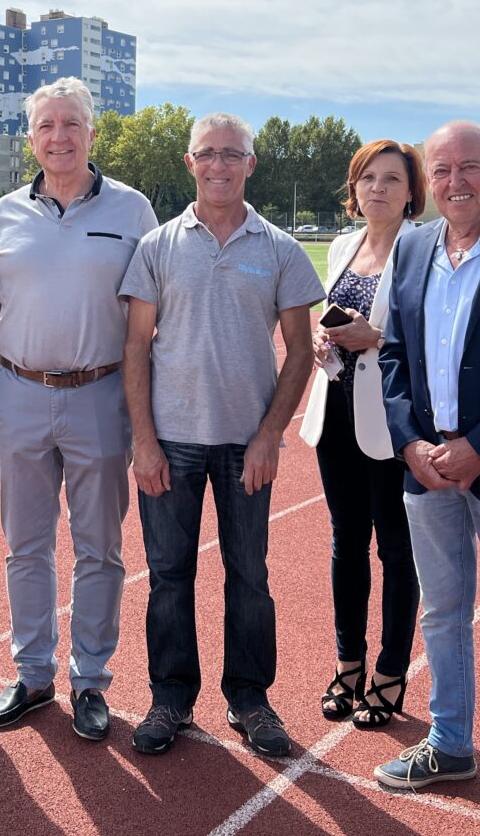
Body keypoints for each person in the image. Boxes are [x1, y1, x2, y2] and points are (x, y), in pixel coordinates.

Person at [120, 112, 324, 759]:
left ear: (250, 164)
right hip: (172, 442)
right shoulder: (157, 247)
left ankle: (249, 698)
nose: (219, 165)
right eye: (206, 154)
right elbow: (135, 346)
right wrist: (144, 441)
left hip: (247, 444)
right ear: (189, 163)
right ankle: (171, 697)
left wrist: (270, 435)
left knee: (249, 575)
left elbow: (299, 351)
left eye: (231, 154)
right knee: (169, 576)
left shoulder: (280, 249)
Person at [0, 79, 158, 741]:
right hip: (19, 392)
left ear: (91, 134)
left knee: (99, 549)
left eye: (71, 125)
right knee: (25, 545)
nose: (59, 136)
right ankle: (31, 676)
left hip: (101, 395)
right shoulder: (2, 214)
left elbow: (150, 310)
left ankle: (90, 682)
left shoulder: (135, 211)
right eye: (46, 125)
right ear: (31, 138)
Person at [373, 121, 480, 836]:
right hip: (424, 470)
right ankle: (448, 744)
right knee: (441, 613)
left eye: (469, 167)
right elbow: (391, 355)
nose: (454, 183)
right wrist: (410, 441)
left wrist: (479, 443)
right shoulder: (412, 245)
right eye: (440, 171)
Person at [298, 140, 423, 728]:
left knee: (396, 551)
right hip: (335, 413)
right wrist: (323, 340)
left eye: (392, 179)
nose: (378, 188)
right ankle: (349, 663)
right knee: (346, 542)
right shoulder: (343, 246)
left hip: (389, 420)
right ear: (354, 190)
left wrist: (375, 338)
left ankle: (390, 672)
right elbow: (329, 315)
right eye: (367, 178)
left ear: (410, 192)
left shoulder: (422, 248)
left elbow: (425, 340)